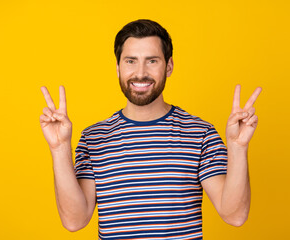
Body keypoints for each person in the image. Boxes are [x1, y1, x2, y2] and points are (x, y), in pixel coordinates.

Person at [40, 19, 262, 239]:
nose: (140, 73)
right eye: (131, 61)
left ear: (169, 66)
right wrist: (59, 149)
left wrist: (237, 147)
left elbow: (235, 215)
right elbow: (74, 221)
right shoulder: (93, 138)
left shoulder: (200, 133)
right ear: (118, 68)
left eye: (152, 61)